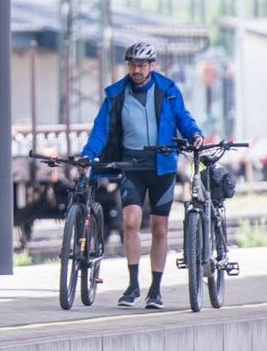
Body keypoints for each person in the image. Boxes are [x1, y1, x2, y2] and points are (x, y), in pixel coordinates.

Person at [82, 42, 203, 310]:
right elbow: (100, 130)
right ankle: (133, 285)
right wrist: (88, 154)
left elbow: (183, 118)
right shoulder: (117, 95)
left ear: (151, 66)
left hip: (163, 166)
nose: (136, 70)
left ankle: (156, 290)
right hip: (132, 165)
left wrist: (195, 133)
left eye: (141, 65)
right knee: (130, 221)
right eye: (132, 65)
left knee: (160, 227)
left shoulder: (168, 90)